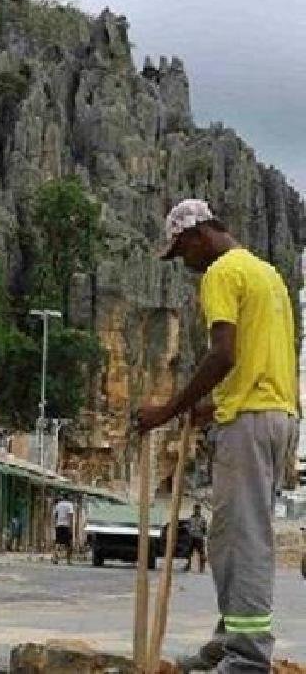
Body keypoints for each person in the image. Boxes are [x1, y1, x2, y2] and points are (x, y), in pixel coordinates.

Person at [136, 200, 298, 673]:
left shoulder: (221, 274)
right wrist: (211, 408)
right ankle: (231, 637)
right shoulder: (268, 274)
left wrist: (168, 410)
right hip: (276, 416)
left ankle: (247, 657)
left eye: (181, 252)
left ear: (197, 236)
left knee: (242, 537)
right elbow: (257, 362)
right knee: (233, 536)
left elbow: (223, 354)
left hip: (250, 422)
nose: (184, 264)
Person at [52, 494, 76, 565]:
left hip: (59, 525)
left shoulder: (58, 505)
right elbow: (70, 516)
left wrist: (55, 524)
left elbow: (55, 515)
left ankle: (55, 558)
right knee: (69, 544)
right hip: (66, 526)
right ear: (68, 498)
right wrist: (71, 527)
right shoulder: (70, 505)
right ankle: (68, 560)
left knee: (58, 542)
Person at [186, 504, 209, 574]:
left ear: (200, 510)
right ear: (194, 510)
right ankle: (188, 565)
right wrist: (189, 531)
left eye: (198, 509)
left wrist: (203, 530)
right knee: (189, 552)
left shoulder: (202, 519)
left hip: (199, 537)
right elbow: (188, 526)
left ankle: (202, 567)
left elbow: (205, 529)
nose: (197, 511)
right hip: (192, 537)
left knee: (201, 553)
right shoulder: (191, 518)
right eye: (196, 509)